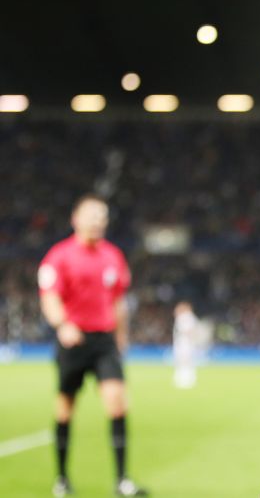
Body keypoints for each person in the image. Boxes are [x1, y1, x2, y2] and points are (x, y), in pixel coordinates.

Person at [38, 194, 148, 497]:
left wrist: (122, 336)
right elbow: (49, 296)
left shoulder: (113, 256)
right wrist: (63, 324)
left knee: (117, 403)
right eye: (93, 216)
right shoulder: (58, 256)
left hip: (104, 341)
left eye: (103, 216)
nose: (99, 221)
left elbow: (119, 302)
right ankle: (61, 479)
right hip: (73, 340)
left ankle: (122, 480)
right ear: (76, 219)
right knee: (65, 410)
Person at [173, 301, 200, 389]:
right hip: (183, 342)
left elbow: (189, 330)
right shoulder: (187, 317)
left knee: (185, 361)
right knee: (183, 361)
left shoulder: (186, 317)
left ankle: (186, 380)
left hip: (185, 342)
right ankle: (184, 379)